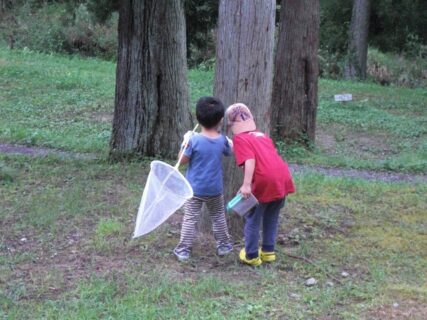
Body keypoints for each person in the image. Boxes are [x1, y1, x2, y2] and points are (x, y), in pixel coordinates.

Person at [226, 103, 295, 266]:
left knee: (253, 218)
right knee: (272, 216)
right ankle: (268, 252)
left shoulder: (240, 139)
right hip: (282, 179)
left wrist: (246, 185)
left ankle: (251, 255)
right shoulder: (261, 135)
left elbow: (250, 159)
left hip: (264, 182)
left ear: (232, 125)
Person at [173, 96, 233, 261]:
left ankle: (184, 250)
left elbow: (182, 160)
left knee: (190, 218)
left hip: (194, 189)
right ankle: (224, 245)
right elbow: (229, 152)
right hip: (215, 189)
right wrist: (227, 140)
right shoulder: (222, 140)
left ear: (198, 118)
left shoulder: (194, 140)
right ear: (221, 120)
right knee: (218, 216)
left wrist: (184, 142)